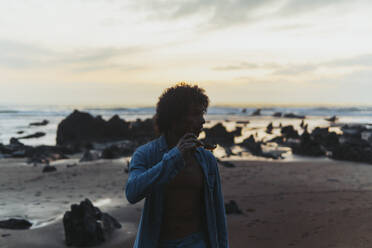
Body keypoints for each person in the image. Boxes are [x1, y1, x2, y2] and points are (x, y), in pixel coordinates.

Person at [125, 83, 229, 248]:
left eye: (202, 113)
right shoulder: (145, 154)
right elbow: (132, 192)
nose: (202, 120)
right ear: (173, 118)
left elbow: (218, 212)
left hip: (197, 242)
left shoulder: (207, 159)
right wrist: (175, 157)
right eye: (195, 113)